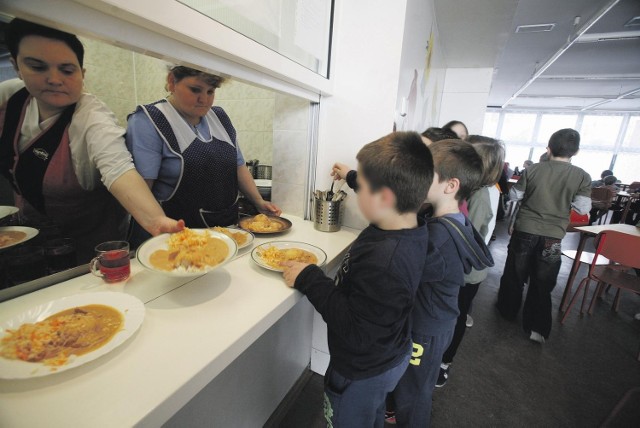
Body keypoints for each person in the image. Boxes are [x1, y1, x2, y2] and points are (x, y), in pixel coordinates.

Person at [281, 132, 433, 427]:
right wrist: (353, 176)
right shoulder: (409, 221)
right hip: (389, 354)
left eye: (359, 187)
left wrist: (309, 277)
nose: (355, 191)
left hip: (360, 370)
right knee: (371, 416)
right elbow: (383, 191)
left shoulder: (385, 264)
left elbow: (355, 329)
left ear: (384, 197)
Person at [0, 19, 182, 263]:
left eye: (67, 70)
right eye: (37, 67)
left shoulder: (91, 117)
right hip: (27, 241)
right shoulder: (9, 97)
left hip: (91, 250)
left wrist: (156, 221)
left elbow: (118, 169)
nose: (54, 79)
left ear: (82, 73)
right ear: (16, 67)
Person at [390, 139, 493, 427]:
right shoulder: (454, 219)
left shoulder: (439, 238)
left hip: (425, 329)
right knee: (412, 387)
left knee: (413, 393)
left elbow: (402, 277)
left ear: (450, 186)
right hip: (437, 321)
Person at [126, 66, 280, 242]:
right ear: (171, 81)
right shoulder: (149, 121)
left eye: (210, 91)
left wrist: (259, 202)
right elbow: (141, 190)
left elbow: (238, 166)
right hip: (176, 237)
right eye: (195, 90)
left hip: (226, 230)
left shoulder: (219, 117)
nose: (204, 100)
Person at [497, 128, 592, 343]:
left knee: (514, 274)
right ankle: (537, 329)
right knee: (543, 281)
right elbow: (582, 207)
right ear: (575, 152)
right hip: (553, 237)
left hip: (525, 230)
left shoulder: (534, 170)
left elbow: (514, 195)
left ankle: (507, 312)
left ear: (548, 148)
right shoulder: (581, 176)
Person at [436, 135, 504, 388]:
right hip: (459, 270)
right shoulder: (470, 191)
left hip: (467, 273)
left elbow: (464, 238)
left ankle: (445, 362)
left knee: (457, 317)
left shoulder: (479, 197)